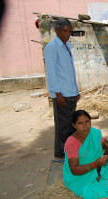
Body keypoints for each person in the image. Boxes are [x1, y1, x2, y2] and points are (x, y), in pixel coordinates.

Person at [63, 110, 108, 199]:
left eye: (87, 121)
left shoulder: (93, 133)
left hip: (99, 166)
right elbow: (74, 170)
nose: (85, 125)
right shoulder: (71, 143)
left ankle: (105, 183)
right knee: (89, 195)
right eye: (80, 123)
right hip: (82, 175)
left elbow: (105, 144)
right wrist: (95, 164)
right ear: (74, 125)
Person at [44, 18, 80, 163]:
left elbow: (69, 71)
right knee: (63, 126)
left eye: (70, 31)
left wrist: (76, 91)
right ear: (57, 30)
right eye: (65, 31)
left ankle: (69, 152)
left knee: (71, 125)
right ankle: (60, 155)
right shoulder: (52, 47)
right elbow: (51, 72)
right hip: (62, 94)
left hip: (70, 92)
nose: (67, 34)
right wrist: (57, 94)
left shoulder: (66, 46)